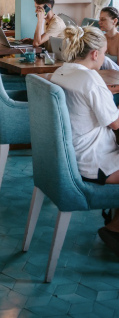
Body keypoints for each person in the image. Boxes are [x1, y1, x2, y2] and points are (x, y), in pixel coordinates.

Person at [49, 26, 119, 255]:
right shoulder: (90, 78)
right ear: (95, 54)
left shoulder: (62, 71)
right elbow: (115, 123)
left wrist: (104, 94)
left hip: (72, 156)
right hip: (94, 163)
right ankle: (114, 228)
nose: (105, 58)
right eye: (104, 53)